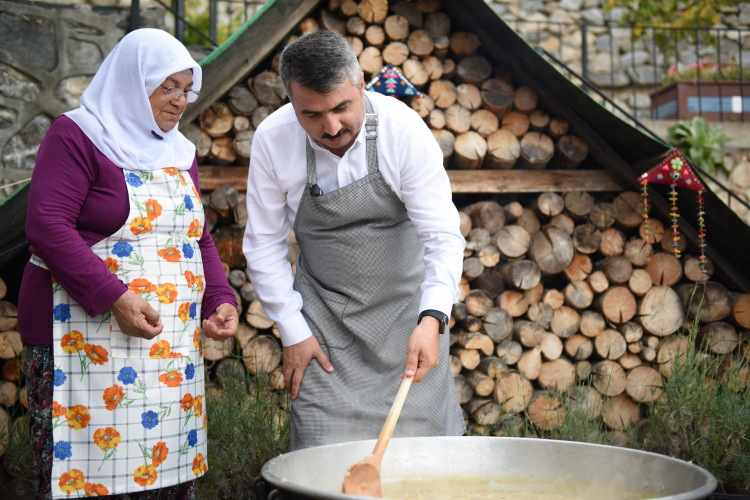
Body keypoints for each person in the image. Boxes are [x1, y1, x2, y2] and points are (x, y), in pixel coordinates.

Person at [18, 29, 238, 499]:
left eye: (187, 89)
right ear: (132, 83)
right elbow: (47, 225)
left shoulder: (178, 150)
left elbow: (196, 236)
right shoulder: (77, 135)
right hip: (82, 341)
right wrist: (115, 297)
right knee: (89, 479)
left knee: (162, 473)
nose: (180, 100)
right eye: (167, 87)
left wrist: (218, 297)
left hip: (169, 348)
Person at [242, 30, 465, 451]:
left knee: (422, 458)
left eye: (341, 107)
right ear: (291, 102)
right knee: (320, 457)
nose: (331, 127)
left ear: (362, 84)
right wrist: (292, 330)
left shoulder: (403, 130)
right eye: (311, 114)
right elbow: (263, 244)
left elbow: (442, 236)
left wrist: (432, 318)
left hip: (407, 320)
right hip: (324, 326)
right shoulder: (273, 139)